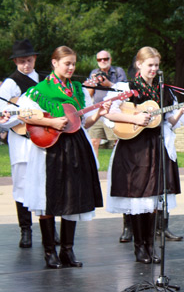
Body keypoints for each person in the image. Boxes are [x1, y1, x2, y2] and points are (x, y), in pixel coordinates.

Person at [19, 46, 110, 269]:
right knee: (48, 196)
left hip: (76, 146)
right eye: (66, 63)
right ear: (54, 63)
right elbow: (24, 113)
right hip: (50, 147)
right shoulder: (39, 90)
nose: (71, 67)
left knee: (73, 197)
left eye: (73, 63)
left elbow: (84, 123)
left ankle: (67, 251)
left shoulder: (78, 90)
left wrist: (98, 113)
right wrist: (50, 122)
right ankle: (49, 253)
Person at [104, 46, 184, 264]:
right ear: (139, 65)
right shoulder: (126, 87)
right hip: (134, 147)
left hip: (156, 144)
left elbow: (168, 122)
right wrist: (134, 119)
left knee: (153, 200)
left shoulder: (164, 91)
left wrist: (181, 111)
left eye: (156, 65)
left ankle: (150, 245)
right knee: (137, 198)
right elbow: (108, 112)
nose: (153, 69)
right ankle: (139, 247)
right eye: (149, 65)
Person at [0, 39, 59, 249]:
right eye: (22, 61)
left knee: (47, 182)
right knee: (22, 185)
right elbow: (3, 116)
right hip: (22, 141)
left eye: (29, 60)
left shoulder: (48, 80)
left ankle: (51, 229)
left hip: (46, 138)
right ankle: (26, 230)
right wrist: (25, 116)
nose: (26, 64)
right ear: (15, 61)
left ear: (35, 59)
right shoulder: (10, 84)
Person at [87, 50, 127, 155]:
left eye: (105, 59)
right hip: (97, 111)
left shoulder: (118, 72)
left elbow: (124, 91)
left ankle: (118, 166)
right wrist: (92, 83)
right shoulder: (94, 73)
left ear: (110, 59)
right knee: (94, 141)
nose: (103, 61)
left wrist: (109, 84)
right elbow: (89, 94)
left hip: (114, 111)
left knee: (117, 141)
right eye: (100, 59)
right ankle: (95, 168)